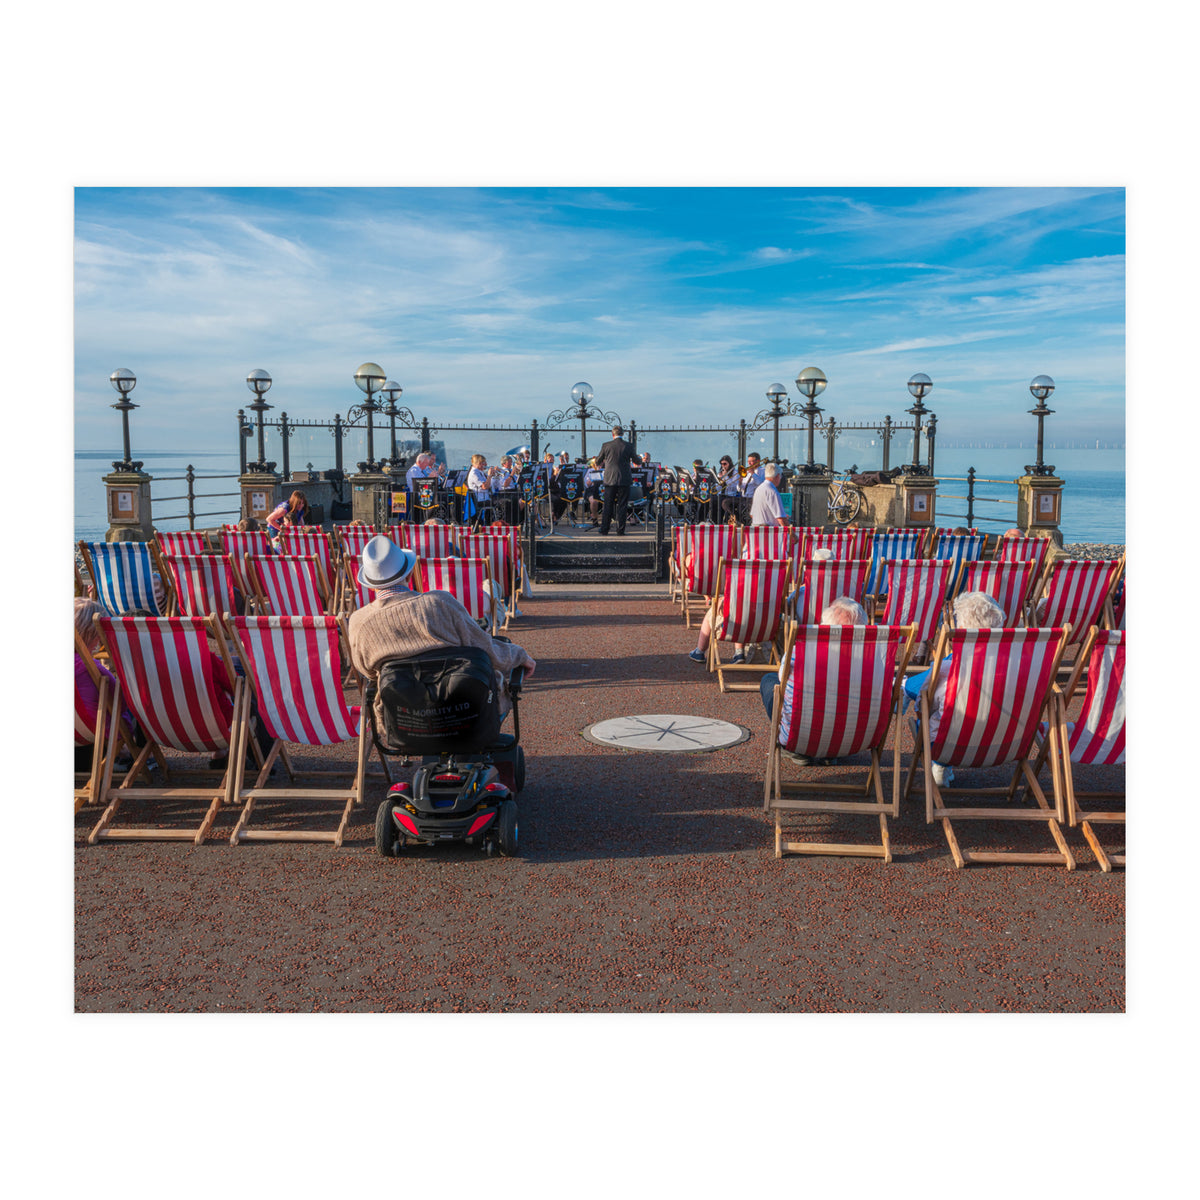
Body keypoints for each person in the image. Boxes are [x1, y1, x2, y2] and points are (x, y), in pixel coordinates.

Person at [348, 536, 535, 732]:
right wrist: (520, 656)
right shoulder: (439, 603)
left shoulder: (359, 622)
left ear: (369, 583)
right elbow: (486, 649)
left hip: (402, 720)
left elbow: (368, 672)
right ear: (410, 573)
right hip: (466, 709)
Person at [904, 590, 1006, 787]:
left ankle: (941, 764)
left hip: (948, 746)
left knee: (929, 706)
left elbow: (918, 694)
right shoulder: (1019, 667)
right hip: (1006, 744)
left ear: (961, 628)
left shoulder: (951, 665)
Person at [758, 596, 867, 765]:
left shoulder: (801, 653)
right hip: (853, 739)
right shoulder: (874, 661)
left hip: (804, 735)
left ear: (825, 627)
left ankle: (796, 751)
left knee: (770, 681)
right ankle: (830, 753)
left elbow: (783, 679)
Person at [594, 424, 636, 535]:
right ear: (622, 434)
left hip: (610, 479)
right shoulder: (629, 446)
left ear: (613, 434)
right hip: (624, 479)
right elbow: (637, 461)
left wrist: (602, 461)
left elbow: (598, 461)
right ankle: (620, 530)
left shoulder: (606, 445)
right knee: (622, 505)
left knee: (608, 505)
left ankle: (604, 529)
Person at [750, 462, 788, 528]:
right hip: (768, 531)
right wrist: (793, 536)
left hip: (756, 530)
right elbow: (781, 519)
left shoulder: (758, 489)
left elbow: (752, 515)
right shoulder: (772, 491)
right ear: (777, 476)